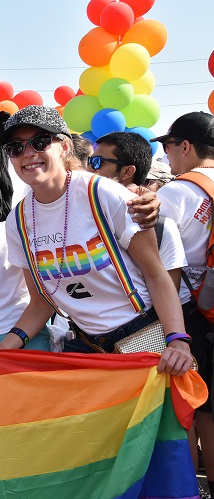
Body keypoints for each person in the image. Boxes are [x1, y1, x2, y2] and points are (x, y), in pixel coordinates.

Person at [0, 58, 160, 370]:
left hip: (17, 321)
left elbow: (72, 188)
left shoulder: (16, 155)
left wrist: (143, 196)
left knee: (28, 420)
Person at [0, 106, 194, 378]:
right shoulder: (18, 220)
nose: (28, 154)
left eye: (39, 142)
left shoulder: (102, 193)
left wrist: (177, 340)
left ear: (63, 147)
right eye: (15, 148)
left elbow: (156, 274)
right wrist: (0, 350)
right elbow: (41, 303)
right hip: (87, 347)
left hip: (142, 336)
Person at [151, 111, 214, 493]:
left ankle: (189, 488)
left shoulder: (177, 191)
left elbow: (150, 257)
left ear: (186, 146)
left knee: (185, 408)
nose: (170, 156)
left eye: (170, 146)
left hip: (189, 313)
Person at [89, 131, 186, 288]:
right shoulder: (80, 214)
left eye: (98, 162)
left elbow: (169, 291)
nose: (90, 169)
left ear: (127, 171)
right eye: (90, 161)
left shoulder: (160, 227)